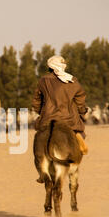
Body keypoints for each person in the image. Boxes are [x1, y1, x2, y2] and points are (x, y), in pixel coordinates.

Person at [32, 55, 88, 183]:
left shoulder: (43, 81)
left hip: (47, 120)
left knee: (38, 141)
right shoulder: (72, 80)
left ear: (50, 67)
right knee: (80, 136)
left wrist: (42, 112)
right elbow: (80, 101)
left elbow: (36, 101)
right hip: (70, 121)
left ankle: (42, 172)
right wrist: (82, 111)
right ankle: (75, 162)